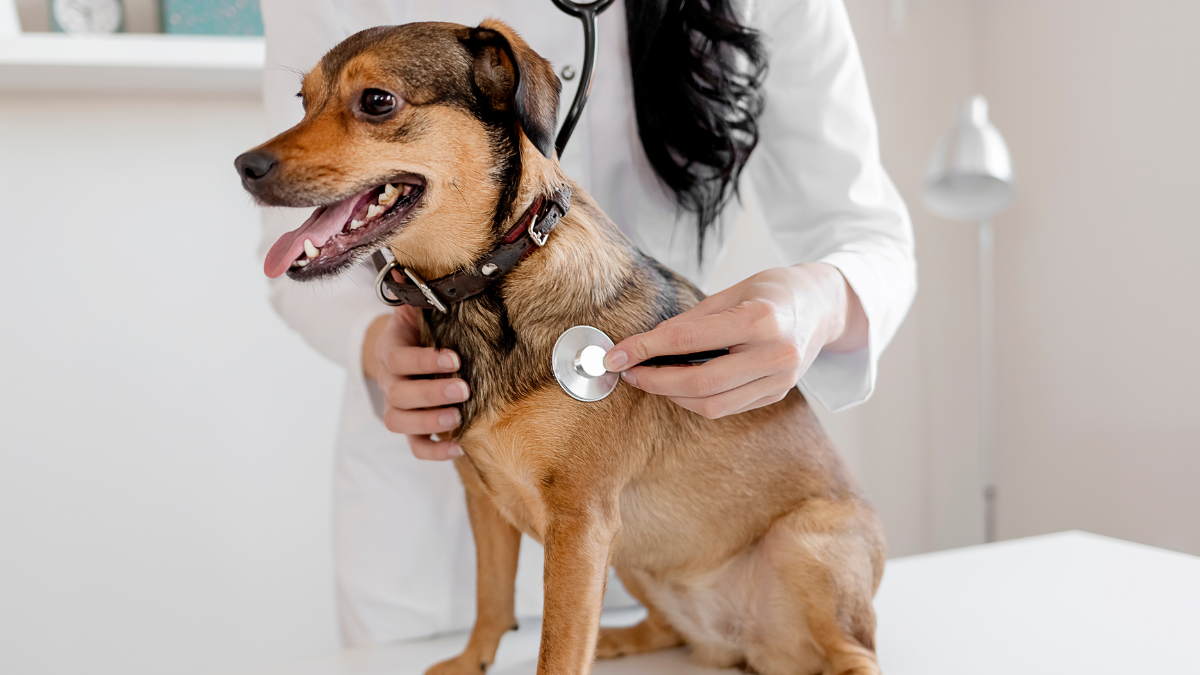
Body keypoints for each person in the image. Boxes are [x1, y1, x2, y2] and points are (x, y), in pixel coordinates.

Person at [259, 0, 915, 647]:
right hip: (416, 557)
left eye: (375, 102)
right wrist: (373, 342)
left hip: (677, 510)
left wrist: (816, 303)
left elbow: (867, 231)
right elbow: (288, 252)